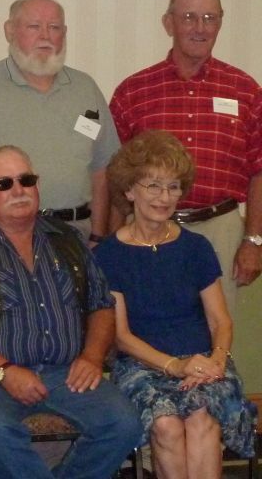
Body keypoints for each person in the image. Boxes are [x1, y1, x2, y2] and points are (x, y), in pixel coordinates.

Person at [0, 145, 141, 479]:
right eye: (4, 184)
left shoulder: (68, 238)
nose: (19, 190)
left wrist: (92, 357)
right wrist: (5, 372)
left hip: (68, 372)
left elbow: (101, 305)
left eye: (26, 180)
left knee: (124, 423)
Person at [94, 130, 257, 478]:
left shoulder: (195, 247)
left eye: (173, 186)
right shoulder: (108, 254)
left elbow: (221, 322)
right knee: (166, 424)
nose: (164, 197)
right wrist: (174, 366)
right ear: (129, 190)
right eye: (153, 185)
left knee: (201, 417)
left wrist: (215, 361)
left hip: (203, 361)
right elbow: (120, 336)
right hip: (142, 364)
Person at [110, 0, 262, 313]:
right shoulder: (133, 91)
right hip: (147, 228)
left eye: (210, 18)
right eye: (189, 17)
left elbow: (259, 171)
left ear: (220, 23)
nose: (200, 27)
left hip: (220, 231)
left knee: (218, 331)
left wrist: (253, 240)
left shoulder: (246, 91)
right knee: (147, 324)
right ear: (169, 23)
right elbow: (116, 175)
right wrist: (114, 239)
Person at [0, 0, 120, 245]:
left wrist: (98, 235)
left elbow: (102, 168)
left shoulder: (86, 89)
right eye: (34, 26)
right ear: (9, 31)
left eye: (54, 27)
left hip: (76, 238)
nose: (45, 36)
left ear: (65, 33)